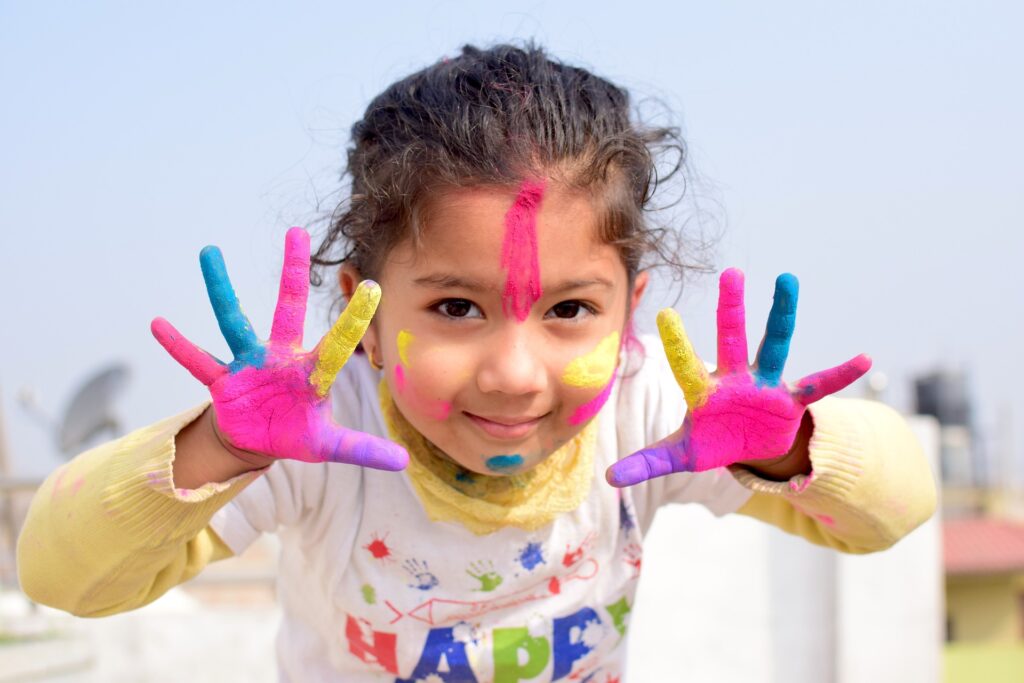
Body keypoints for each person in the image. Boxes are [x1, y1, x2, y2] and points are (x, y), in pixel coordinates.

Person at [17, 43, 935, 682]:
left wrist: (785, 451)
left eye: (571, 309)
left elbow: (897, 507)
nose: (514, 372)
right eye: (456, 307)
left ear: (632, 311)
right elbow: (62, 577)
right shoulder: (321, 431)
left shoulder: (651, 407)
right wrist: (220, 446)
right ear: (363, 312)